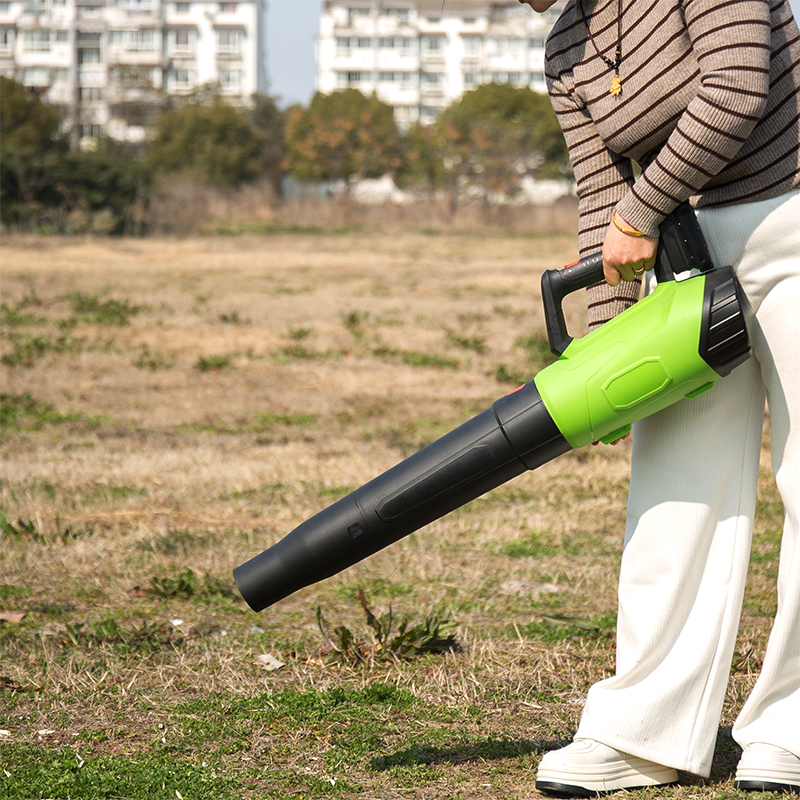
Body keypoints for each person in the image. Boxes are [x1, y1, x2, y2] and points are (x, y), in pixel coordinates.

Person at [519, 0, 800, 794]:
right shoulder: (565, 47)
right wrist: (604, 362)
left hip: (792, 212)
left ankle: (793, 727)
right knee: (674, 488)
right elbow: (599, 210)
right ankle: (643, 732)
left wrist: (642, 210)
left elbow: (738, 86)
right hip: (689, 257)